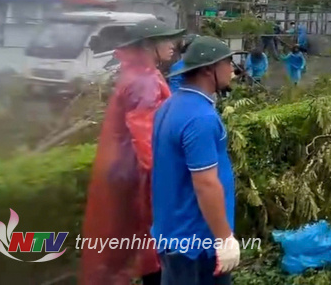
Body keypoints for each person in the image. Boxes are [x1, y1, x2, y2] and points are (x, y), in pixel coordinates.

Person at [80, 19, 184, 285]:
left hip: (128, 173)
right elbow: (148, 142)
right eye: (166, 40)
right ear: (149, 45)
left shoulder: (139, 74)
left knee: (139, 248)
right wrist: (175, 183)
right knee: (153, 248)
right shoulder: (144, 81)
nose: (173, 45)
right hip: (140, 178)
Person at [151, 36, 241, 285]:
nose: (232, 69)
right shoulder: (201, 118)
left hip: (172, 230)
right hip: (197, 241)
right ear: (209, 69)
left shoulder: (170, 105)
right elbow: (205, 184)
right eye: (228, 63)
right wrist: (224, 239)